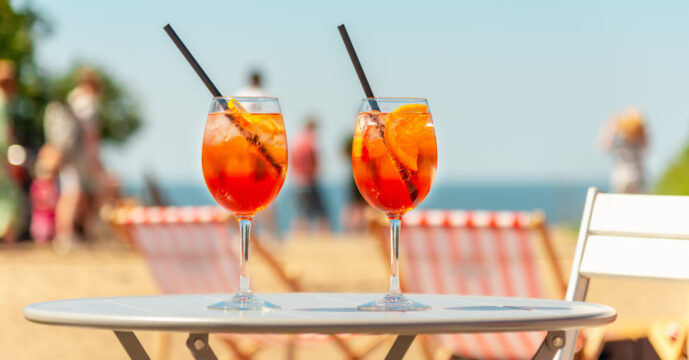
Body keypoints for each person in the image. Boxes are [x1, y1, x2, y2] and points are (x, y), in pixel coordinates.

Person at [291, 118, 329, 232]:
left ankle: (299, 238)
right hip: (309, 181)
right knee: (320, 214)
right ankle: (323, 238)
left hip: (298, 182)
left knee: (301, 213)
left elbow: (293, 161)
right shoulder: (309, 142)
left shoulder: (298, 141)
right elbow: (313, 161)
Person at [599, 107, 648, 194]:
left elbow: (604, 146)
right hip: (629, 179)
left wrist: (612, 128)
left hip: (629, 179)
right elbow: (605, 147)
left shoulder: (636, 140)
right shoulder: (621, 141)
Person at [0, 60, 22, 244]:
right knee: (7, 193)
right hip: (1, 153)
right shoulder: (3, 100)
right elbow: (4, 135)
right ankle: (7, 235)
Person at [30, 144, 60, 244]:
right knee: (42, 233)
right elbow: (36, 200)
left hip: (50, 216)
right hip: (41, 217)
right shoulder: (37, 185)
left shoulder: (54, 185)